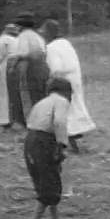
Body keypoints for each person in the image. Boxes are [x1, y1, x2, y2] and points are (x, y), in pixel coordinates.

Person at [41, 18, 96, 154]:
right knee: (76, 106)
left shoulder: (52, 48)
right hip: (75, 79)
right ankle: (76, 135)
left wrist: (49, 80)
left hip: (63, 82)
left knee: (64, 110)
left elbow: (56, 68)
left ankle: (68, 140)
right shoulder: (66, 43)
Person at [24, 77, 72, 219]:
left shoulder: (42, 102)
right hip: (45, 140)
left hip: (30, 139)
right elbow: (59, 122)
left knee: (42, 176)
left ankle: (55, 217)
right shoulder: (61, 101)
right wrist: (62, 144)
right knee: (50, 178)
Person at [7, 12, 50, 128]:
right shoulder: (37, 36)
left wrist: (13, 65)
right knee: (41, 92)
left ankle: (31, 120)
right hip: (42, 65)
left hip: (29, 66)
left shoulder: (23, 36)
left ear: (21, 26)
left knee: (28, 93)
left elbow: (23, 52)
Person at [0, 24, 20, 129]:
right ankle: (17, 119)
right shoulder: (18, 40)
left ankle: (5, 120)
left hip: (6, 65)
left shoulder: (4, 39)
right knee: (15, 93)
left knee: (4, 93)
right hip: (18, 65)